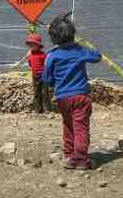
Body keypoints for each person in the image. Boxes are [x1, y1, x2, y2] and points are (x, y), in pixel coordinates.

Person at [42, 13, 101, 170]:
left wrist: (55, 83)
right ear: (73, 34)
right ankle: (80, 159)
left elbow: (46, 79)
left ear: (53, 38)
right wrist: (82, 45)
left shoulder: (51, 56)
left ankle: (69, 155)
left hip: (62, 98)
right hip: (80, 97)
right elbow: (97, 57)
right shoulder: (80, 51)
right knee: (80, 127)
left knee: (68, 125)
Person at [25, 33, 51, 114]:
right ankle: (38, 109)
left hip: (43, 76)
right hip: (35, 76)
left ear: (38, 45)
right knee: (37, 93)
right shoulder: (30, 56)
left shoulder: (43, 55)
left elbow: (46, 64)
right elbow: (30, 65)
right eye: (30, 45)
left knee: (45, 92)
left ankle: (47, 109)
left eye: (32, 45)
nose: (31, 47)